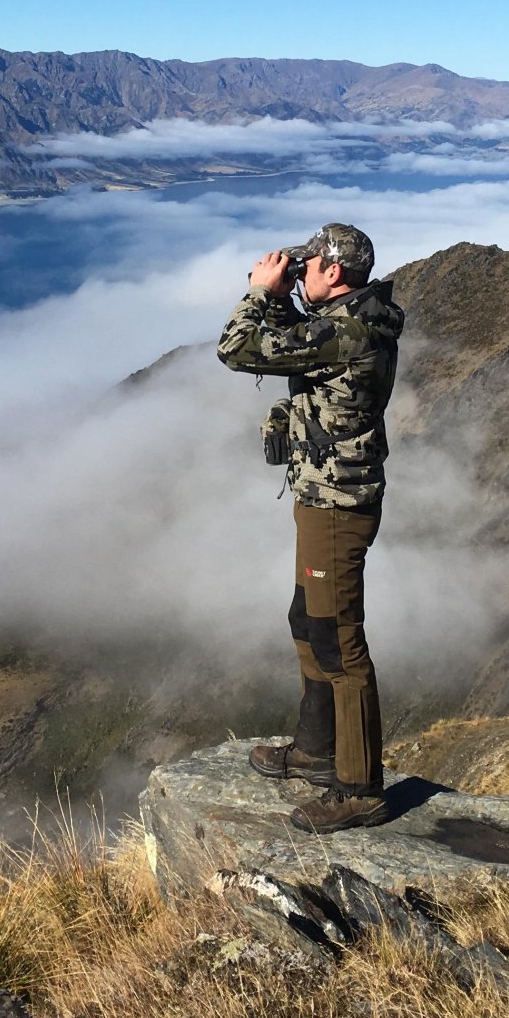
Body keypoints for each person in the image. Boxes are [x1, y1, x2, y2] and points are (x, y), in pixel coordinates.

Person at [216, 222, 405, 833]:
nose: (299, 273)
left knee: (338, 640)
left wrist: (261, 292)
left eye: (308, 266)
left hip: (336, 508)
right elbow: (306, 360)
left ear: (334, 272)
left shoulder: (345, 328)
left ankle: (359, 789)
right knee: (308, 619)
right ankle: (316, 751)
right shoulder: (354, 317)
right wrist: (286, 414)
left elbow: (238, 349)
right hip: (322, 498)